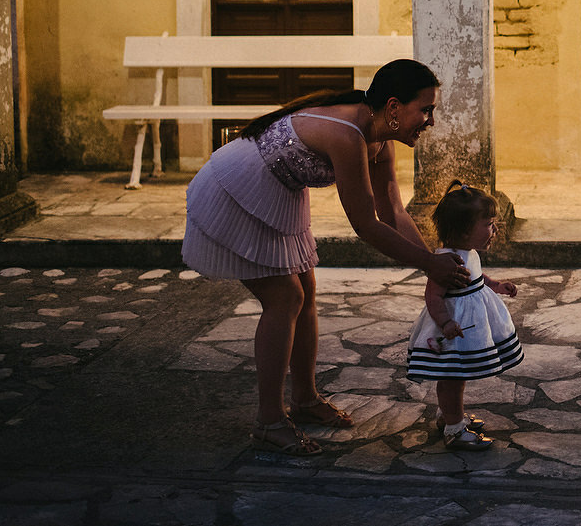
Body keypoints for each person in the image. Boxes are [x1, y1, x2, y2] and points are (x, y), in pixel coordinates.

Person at [181, 58, 470, 456]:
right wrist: (430, 265)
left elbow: (393, 212)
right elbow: (367, 226)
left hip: (280, 191)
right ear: (392, 107)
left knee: (306, 291)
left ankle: (304, 400)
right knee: (285, 298)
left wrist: (431, 265)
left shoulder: (379, 139)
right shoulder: (347, 134)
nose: (430, 120)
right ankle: (268, 420)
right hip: (238, 188)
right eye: (426, 109)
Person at [406, 181, 523, 451]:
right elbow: (433, 296)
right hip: (453, 328)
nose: (494, 230)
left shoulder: (467, 254)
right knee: (452, 377)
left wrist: (495, 286)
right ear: (463, 230)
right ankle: (454, 429)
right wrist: (446, 322)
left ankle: (450, 416)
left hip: (467, 326)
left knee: (457, 377)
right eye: (489, 223)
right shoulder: (447, 261)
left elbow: (477, 279)